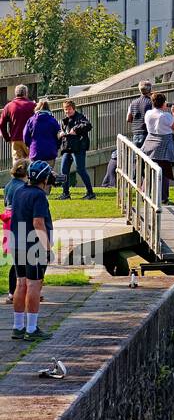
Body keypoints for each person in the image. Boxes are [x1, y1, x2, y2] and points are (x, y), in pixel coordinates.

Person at [11, 160, 54, 341]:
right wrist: (47, 248)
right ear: (44, 179)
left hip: (17, 243)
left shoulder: (19, 191)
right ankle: (31, 328)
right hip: (33, 246)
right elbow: (38, 222)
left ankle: (18, 326)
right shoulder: (39, 196)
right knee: (34, 285)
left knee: (20, 283)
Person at [141, 92, 174, 204]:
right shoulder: (165, 116)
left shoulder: (148, 113)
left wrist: (162, 106)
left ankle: (144, 194)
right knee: (165, 172)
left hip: (149, 144)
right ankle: (163, 198)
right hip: (164, 145)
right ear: (163, 103)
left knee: (148, 170)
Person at [58, 100, 95, 200]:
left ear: (74, 109)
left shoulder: (80, 117)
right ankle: (65, 193)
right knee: (63, 171)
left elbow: (88, 125)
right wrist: (60, 134)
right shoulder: (64, 120)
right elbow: (63, 133)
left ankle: (90, 193)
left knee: (80, 170)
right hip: (67, 148)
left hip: (78, 148)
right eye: (65, 109)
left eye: (69, 109)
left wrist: (76, 129)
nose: (67, 111)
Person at [1, 160, 21, 302]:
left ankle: (12, 292)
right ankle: (17, 292)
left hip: (9, 224)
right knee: (22, 263)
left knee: (16, 260)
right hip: (19, 224)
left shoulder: (8, 186)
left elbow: (5, 205)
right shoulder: (23, 187)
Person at [0, 84, 36, 164]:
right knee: (32, 163)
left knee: (18, 165)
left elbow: (2, 124)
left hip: (15, 139)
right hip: (30, 140)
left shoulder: (8, 106)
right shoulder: (33, 106)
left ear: (15, 94)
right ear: (26, 93)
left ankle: (18, 176)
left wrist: (7, 138)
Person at [22, 98, 61, 167]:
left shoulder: (31, 120)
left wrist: (30, 145)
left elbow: (25, 136)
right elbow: (59, 136)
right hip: (50, 152)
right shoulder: (53, 121)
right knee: (48, 174)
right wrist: (56, 147)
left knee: (35, 174)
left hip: (35, 152)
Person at [126, 80, 153, 148]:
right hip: (147, 132)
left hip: (136, 132)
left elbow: (128, 119)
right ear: (150, 89)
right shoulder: (151, 102)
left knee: (138, 155)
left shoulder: (133, 103)